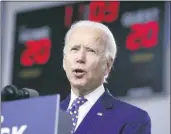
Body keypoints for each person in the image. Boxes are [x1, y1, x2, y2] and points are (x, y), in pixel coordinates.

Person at [60, 20, 151, 134]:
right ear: (64, 61)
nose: (80, 58)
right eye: (74, 49)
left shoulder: (133, 120)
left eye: (91, 51)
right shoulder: (48, 116)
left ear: (107, 65)